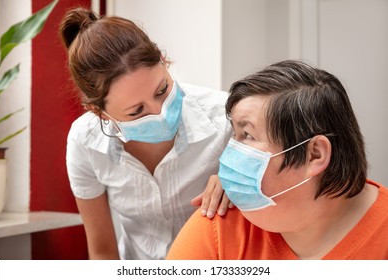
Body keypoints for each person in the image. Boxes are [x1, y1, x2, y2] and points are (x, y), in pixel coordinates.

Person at [166, 60, 388, 260]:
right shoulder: (221, 222)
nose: (230, 153)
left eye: (248, 136)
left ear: (315, 154)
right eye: (235, 135)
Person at [59, 7, 233, 260]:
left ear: (164, 60)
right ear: (99, 113)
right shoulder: (85, 142)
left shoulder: (226, 117)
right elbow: (102, 251)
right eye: (137, 111)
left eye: (162, 90)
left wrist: (241, 179)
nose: (160, 112)